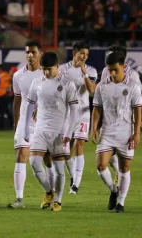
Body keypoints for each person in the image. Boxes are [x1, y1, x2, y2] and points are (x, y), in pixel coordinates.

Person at [24, 52, 78, 212]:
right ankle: (49, 192)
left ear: (57, 67)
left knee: (59, 169)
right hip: (40, 129)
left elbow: (74, 111)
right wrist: (26, 127)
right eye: (43, 69)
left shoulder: (68, 84)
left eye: (49, 69)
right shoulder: (37, 82)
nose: (46, 72)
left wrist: (68, 132)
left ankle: (58, 201)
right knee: (33, 163)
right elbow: (29, 106)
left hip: (59, 131)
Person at [91, 52, 142, 213]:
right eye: (109, 70)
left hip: (126, 132)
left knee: (124, 167)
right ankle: (114, 190)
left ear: (123, 67)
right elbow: (97, 109)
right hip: (107, 131)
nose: (112, 73)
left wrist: (136, 133)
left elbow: (138, 111)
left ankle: (121, 202)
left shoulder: (132, 86)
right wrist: (93, 128)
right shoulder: (102, 86)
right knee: (100, 165)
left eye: (115, 70)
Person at [8, 40, 55, 209]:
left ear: (40, 54)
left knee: (48, 160)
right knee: (21, 155)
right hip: (25, 122)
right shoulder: (18, 75)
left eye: (33, 52)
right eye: (27, 52)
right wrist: (17, 122)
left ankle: (50, 193)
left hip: (44, 123)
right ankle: (19, 199)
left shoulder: (47, 74)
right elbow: (17, 99)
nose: (30, 55)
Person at [58, 41, 97, 194]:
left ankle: (75, 184)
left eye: (87, 54)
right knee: (65, 150)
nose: (84, 57)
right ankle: (72, 176)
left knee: (79, 145)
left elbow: (92, 91)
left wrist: (84, 73)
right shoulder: (62, 69)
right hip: (66, 114)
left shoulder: (91, 70)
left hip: (83, 113)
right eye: (82, 53)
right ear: (74, 53)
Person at [100, 44, 141, 183]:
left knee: (124, 163)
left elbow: (137, 100)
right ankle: (117, 173)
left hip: (126, 121)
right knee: (107, 157)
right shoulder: (107, 71)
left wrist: (137, 128)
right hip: (109, 121)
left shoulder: (133, 76)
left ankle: (120, 180)